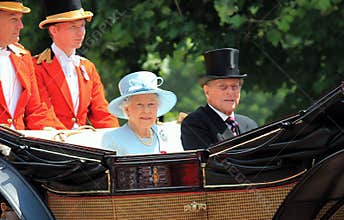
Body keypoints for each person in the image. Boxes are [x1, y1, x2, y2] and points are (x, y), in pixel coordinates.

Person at [33, 0, 119, 129]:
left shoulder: (88, 67)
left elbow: (102, 113)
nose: (81, 33)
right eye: (73, 27)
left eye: (82, 26)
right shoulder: (36, 67)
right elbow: (43, 114)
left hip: (82, 143)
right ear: (54, 30)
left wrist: (115, 138)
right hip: (52, 143)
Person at [68, 71, 179, 155]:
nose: (146, 111)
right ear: (127, 110)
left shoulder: (165, 135)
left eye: (151, 104)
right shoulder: (112, 138)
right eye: (139, 105)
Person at [0, 0, 65, 130]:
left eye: (20, 19)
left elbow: (36, 109)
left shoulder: (23, 58)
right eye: (14, 19)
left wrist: (50, 130)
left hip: (18, 147)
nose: (21, 25)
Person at [181, 48, 258, 150]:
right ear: (207, 91)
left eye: (234, 87)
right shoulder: (194, 123)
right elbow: (210, 162)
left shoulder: (250, 125)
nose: (230, 92)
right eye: (223, 87)